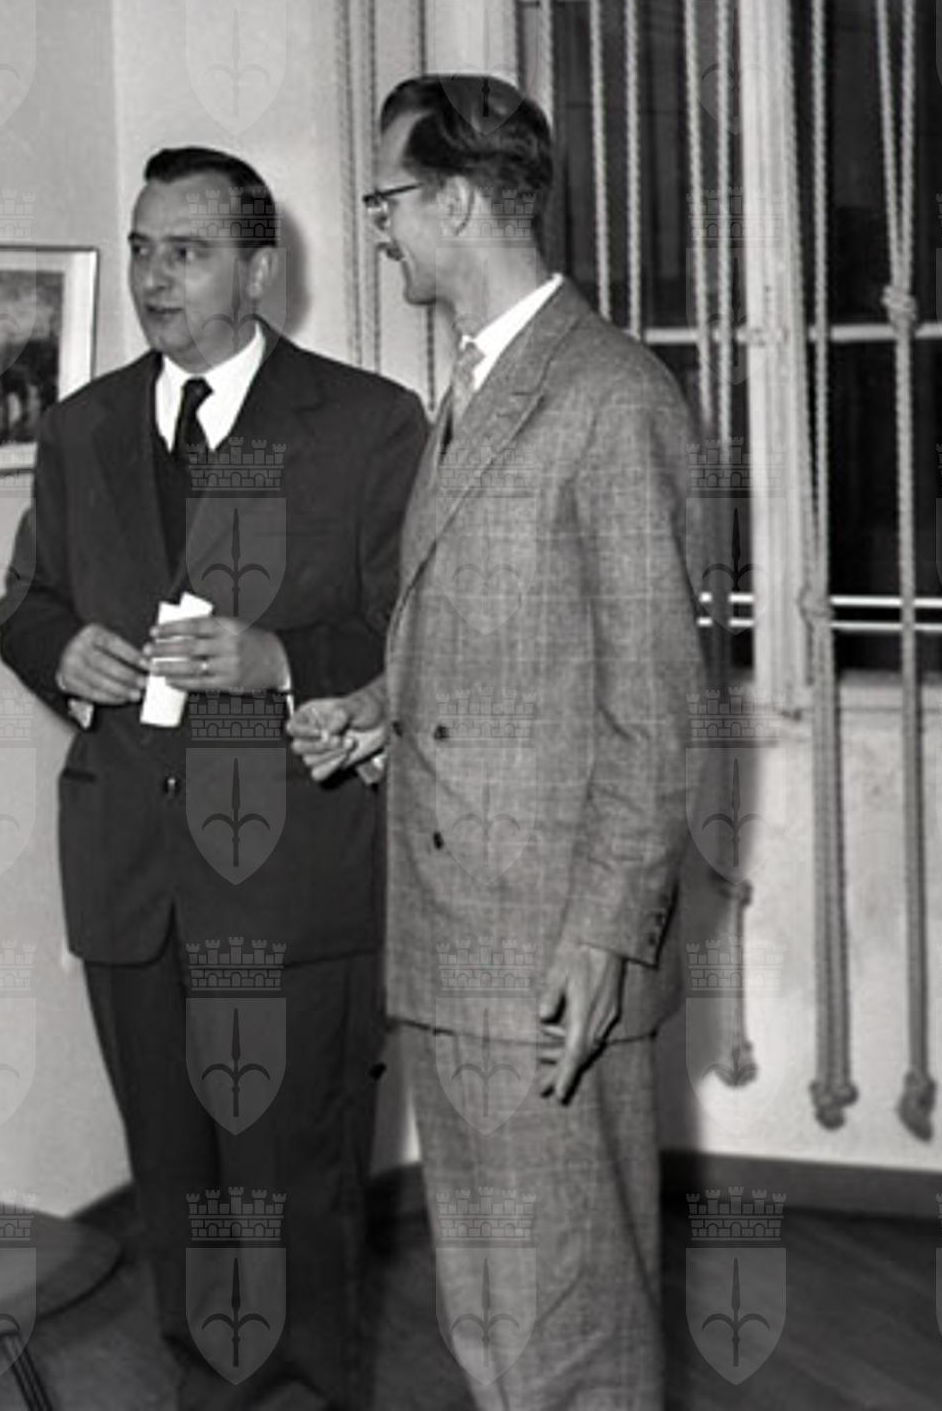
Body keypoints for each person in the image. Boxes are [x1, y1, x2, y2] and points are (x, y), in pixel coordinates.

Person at [290, 76, 709, 1410]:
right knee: (493, 1315)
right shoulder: (478, 383)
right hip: (455, 931)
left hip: (543, 951)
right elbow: (511, 638)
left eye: (385, 199)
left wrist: (603, 934)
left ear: (457, 201)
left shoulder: (606, 395)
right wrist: (379, 709)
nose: (375, 227)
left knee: (566, 1321)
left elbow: (655, 704)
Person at [0, 146, 427, 1409]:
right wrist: (57, 650)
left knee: (296, 1186)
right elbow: (26, 599)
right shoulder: (81, 426)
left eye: (184, 252)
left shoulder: (368, 423)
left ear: (258, 270)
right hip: (131, 876)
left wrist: (281, 657)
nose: (152, 277)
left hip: (294, 876)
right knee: (175, 1189)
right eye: (141, 248)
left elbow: (418, 630)